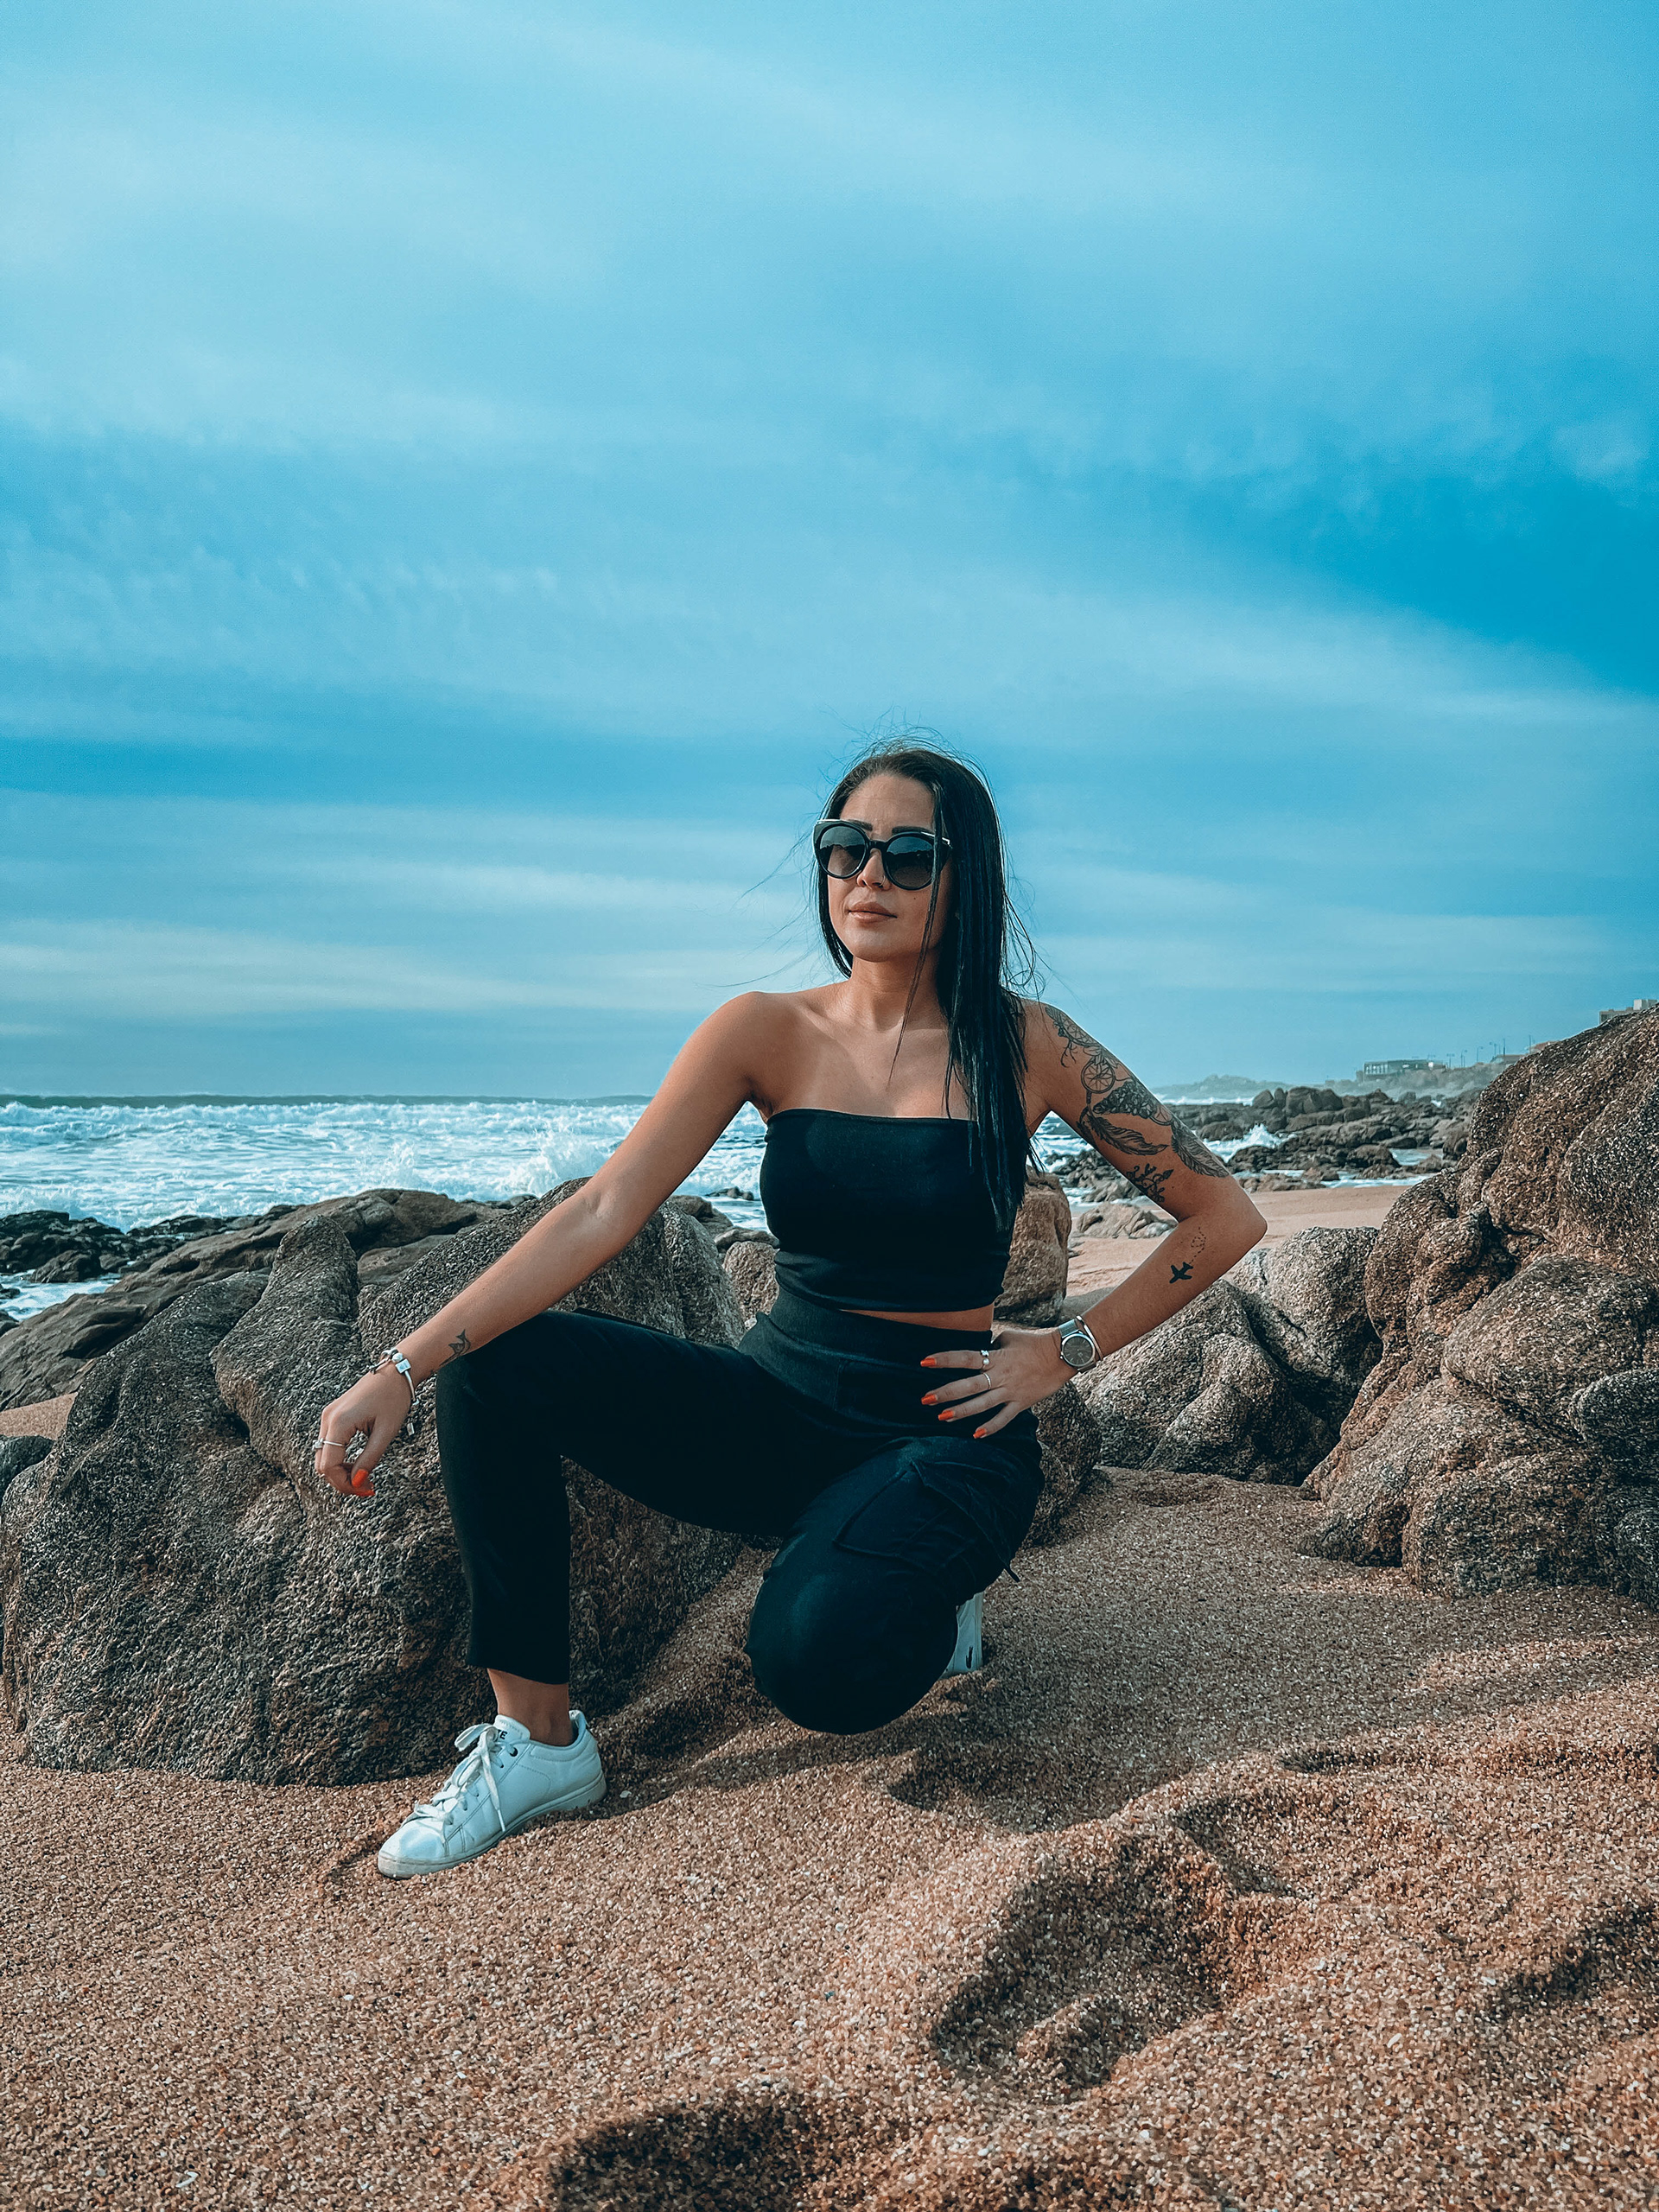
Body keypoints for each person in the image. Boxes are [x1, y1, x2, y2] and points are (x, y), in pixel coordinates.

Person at [311, 743, 1265, 1877]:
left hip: (947, 1430)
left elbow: (1222, 1217)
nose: (869, 876)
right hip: (778, 1403)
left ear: (964, 876)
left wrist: (1066, 1349)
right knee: (499, 1368)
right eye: (845, 848)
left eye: (908, 856)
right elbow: (602, 1210)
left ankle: (929, 1587)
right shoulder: (764, 1030)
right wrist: (403, 1366)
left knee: (815, 1667)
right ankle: (540, 1743)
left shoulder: (1030, 1046)